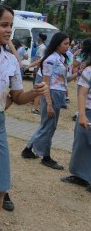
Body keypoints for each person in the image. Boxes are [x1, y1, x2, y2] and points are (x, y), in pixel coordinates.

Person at [0, 5, 48, 231]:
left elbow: (17, 96)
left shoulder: (11, 61)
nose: (9, 30)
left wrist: (35, 92)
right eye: (3, 25)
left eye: (11, 25)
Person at [21, 32, 79, 170]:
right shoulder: (50, 60)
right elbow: (45, 83)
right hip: (51, 94)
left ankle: (29, 149)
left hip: (58, 94)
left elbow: (64, 80)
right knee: (48, 125)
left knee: (48, 125)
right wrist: (49, 104)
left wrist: (78, 73)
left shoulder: (60, 59)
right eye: (65, 44)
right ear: (57, 43)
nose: (68, 47)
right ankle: (45, 157)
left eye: (68, 44)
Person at [60, 53, 91, 193]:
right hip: (88, 111)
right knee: (81, 143)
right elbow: (82, 94)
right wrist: (82, 115)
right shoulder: (89, 71)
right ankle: (80, 176)